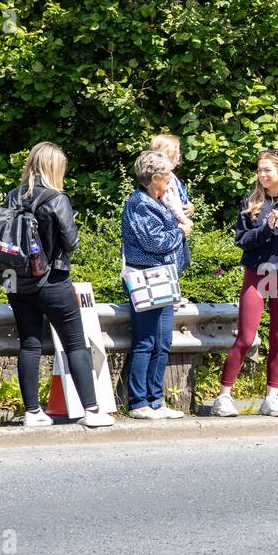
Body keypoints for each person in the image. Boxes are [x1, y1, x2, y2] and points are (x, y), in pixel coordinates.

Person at [5, 142, 111, 428]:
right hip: (52, 281)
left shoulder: (12, 197)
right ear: (55, 167)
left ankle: (32, 412)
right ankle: (91, 411)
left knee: (29, 343)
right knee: (75, 343)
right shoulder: (56, 198)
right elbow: (71, 242)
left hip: (17, 281)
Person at [210, 149, 278, 419]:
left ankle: (272, 398)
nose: (262, 175)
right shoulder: (251, 201)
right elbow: (242, 240)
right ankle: (223, 397)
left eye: (267, 170)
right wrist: (267, 227)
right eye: (259, 170)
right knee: (245, 337)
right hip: (256, 274)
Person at [121, 150, 192, 420]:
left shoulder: (159, 201)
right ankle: (139, 402)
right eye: (166, 178)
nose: (169, 183)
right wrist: (181, 231)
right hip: (146, 278)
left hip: (164, 279)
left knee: (163, 341)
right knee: (145, 341)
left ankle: (156, 400)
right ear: (153, 178)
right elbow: (155, 242)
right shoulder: (140, 203)